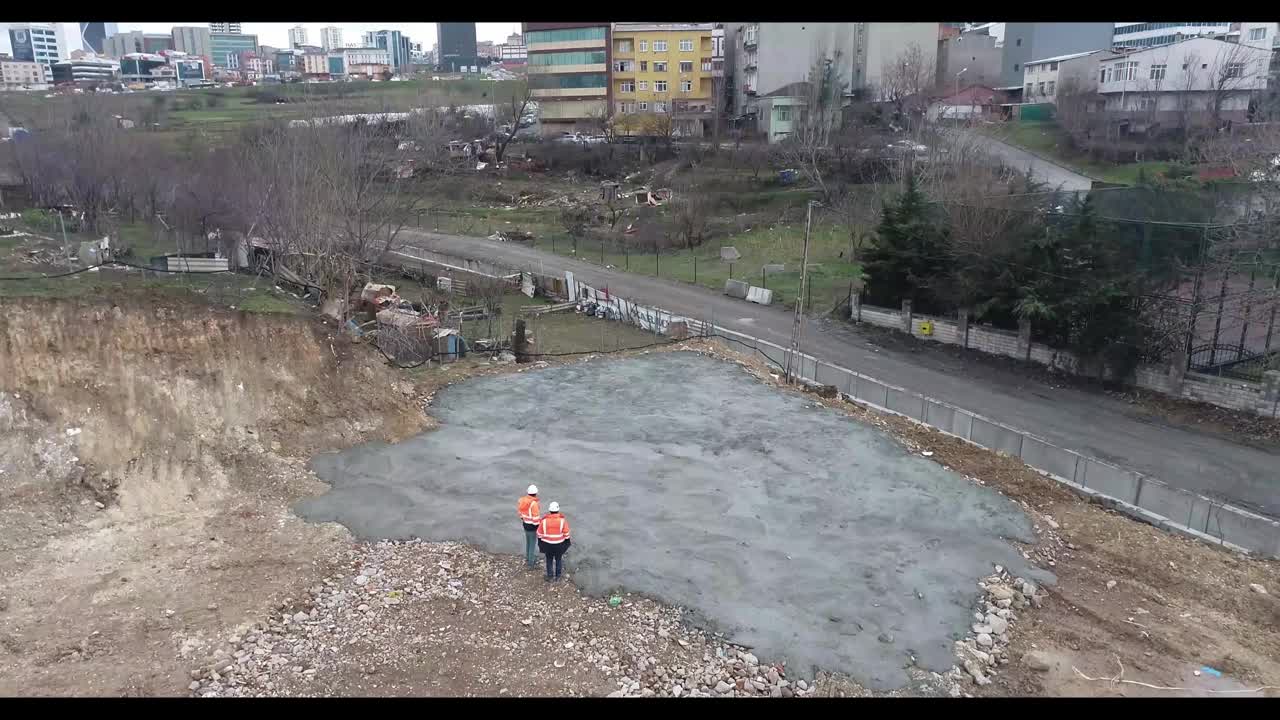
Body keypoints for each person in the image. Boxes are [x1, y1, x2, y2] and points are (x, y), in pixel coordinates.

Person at [537, 501, 571, 582]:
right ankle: (558, 577)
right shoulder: (562, 521)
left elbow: (539, 534)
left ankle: (550, 577)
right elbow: (567, 534)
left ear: (550, 510)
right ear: (558, 510)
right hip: (559, 545)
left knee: (549, 560)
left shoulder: (544, 521)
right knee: (558, 560)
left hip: (547, 545)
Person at [517, 484, 541, 569]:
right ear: (535, 493)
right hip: (532, 526)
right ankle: (531, 563)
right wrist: (538, 526)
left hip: (525, 524)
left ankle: (527, 557)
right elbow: (535, 518)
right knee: (532, 544)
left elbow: (520, 513)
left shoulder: (521, 500)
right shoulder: (533, 504)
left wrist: (524, 519)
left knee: (528, 542)